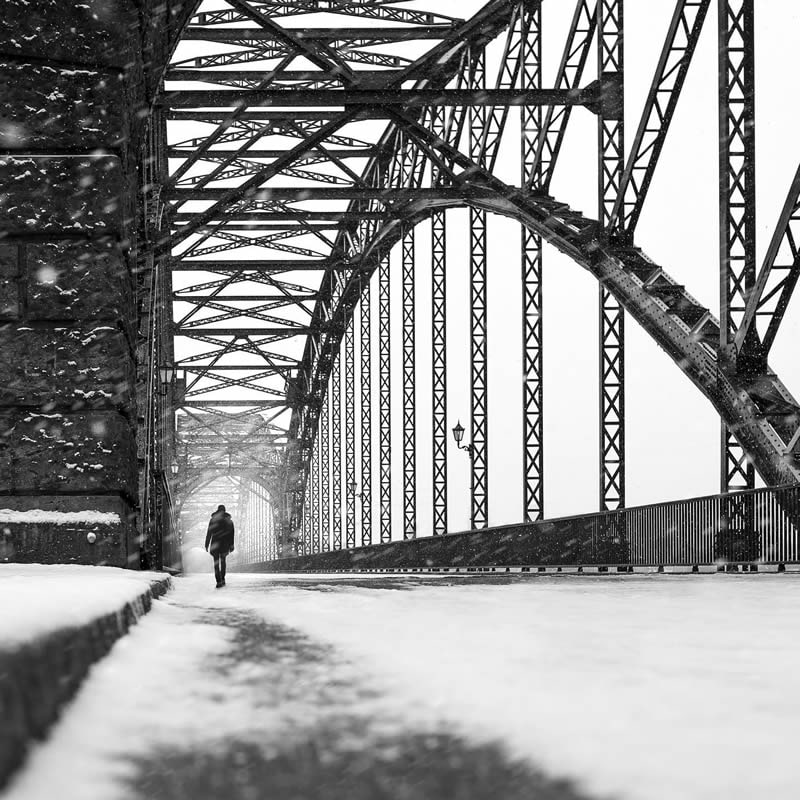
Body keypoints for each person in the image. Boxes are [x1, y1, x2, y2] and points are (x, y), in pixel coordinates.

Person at [205, 504, 235, 588]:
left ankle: (218, 581)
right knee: (223, 561)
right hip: (225, 544)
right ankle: (223, 578)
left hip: (215, 544)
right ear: (224, 511)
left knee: (216, 563)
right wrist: (231, 545)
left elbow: (209, 533)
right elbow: (231, 534)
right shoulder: (229, 521)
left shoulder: (213, 520)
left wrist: (207, 544)